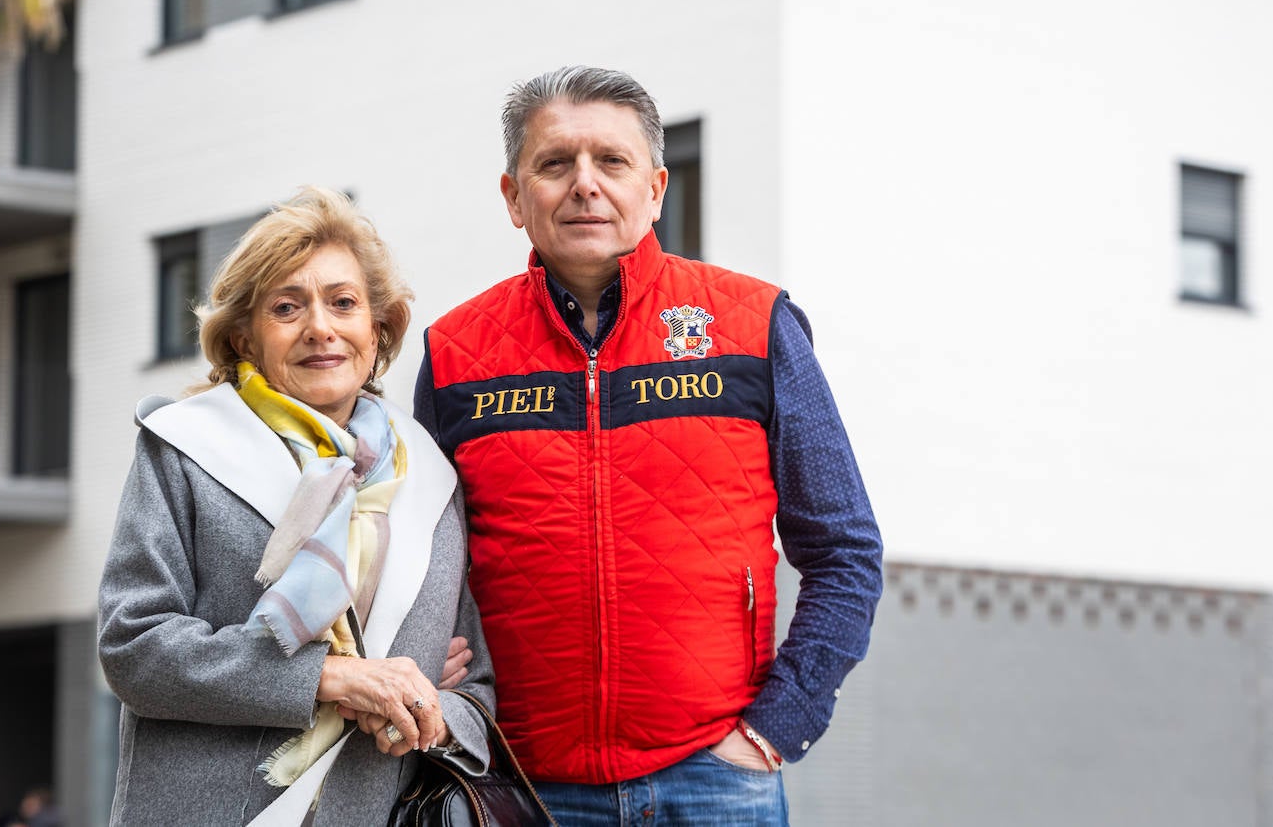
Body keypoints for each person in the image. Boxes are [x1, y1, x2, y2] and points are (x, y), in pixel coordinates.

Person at [415, 66, 883, 825]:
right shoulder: (456, 353)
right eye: (555, 163)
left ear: (656, 188)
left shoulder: (753, 325)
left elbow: (844, 549)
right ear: (513, 196)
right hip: (526, 787)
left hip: (715, 779)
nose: (585, 185)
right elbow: (421, 567)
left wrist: (776, 727)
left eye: (613, 161)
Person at [98, 187, 492, 826]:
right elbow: (133, 647)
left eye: (344, 303)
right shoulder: (187, 446)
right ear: (245, 337)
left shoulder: (430, 479)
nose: (321, 328)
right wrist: (328, 680)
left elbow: (477, 695)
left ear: (378, 327)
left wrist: (429, 714)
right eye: (287, 307)